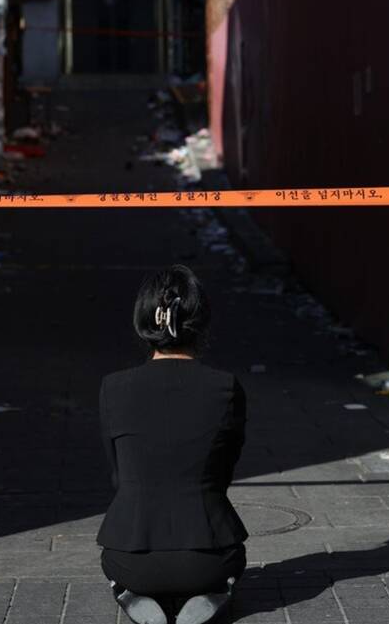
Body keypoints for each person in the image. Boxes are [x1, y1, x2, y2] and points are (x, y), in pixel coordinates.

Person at [97, 264, 248, 624]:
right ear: (200, 322)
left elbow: (118, 474)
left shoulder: (113, 388)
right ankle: (214, 592)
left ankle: (129, 591)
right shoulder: (226, 387)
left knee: (115, 564)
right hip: (209, 558)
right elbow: (225, 470)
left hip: (130, 557)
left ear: (143, 321)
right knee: (232, 561)